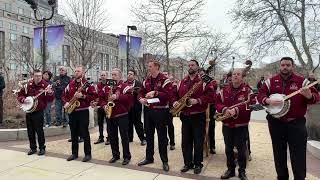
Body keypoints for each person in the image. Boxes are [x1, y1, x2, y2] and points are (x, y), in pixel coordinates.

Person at [257, 57, 319, 180]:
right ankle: (282, 177)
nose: (285, 67)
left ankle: (300, 178)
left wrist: (309, 95)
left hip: (296, 123)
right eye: (283, 65)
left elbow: (316, 97)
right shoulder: (270, 81)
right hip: (276, 123)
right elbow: (260, 95)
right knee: (279, 153)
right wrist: (267, 100)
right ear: (280, 66)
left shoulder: (303, 82)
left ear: (292, 66)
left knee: (298, 154)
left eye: (288, 65)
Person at [173, 61, 215, 174]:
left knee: (198, 141)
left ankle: (198, 164)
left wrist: (198, 100)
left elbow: (211, 96)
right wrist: (175, 102)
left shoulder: (204, 81)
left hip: (198, 115)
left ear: (197, 67)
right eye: (189, 65)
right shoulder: (182, 81)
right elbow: (174, 95)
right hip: (185, 116)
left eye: (193, 65)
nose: (190, 66)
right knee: (185, 141)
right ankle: (187, 163)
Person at [216, 68, 253, 180]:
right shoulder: (223, 90)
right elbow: (217, 103)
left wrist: (236, 110)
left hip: (241, 126)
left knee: (241, 150)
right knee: (228, 148)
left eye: (238, 74)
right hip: (227, 125)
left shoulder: (248, 90)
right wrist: (224, 109)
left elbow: (252, 105)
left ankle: (242, 171)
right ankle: (230, 170)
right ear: (231, 77)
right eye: (234, 74)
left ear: (242, 77)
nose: (236, 76)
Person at [137, 60, 173, 172]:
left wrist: (155, 93)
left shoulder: (164, 80)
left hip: (160, 111)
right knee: (149, 135)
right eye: (148, 66)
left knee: (162, 137)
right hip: (148, 111)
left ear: (157, 67)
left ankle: (164, 161)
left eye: (150, 66)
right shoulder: (147, 80)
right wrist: (141, 99)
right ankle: (149, 158)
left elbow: (168, 95)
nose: (149, 68)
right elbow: (140, 92)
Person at [63, 66, 97, 162]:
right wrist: (65, 103)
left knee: (84, 133)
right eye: (75, 71)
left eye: (78, 71)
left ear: (83, 73)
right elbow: (64, 95)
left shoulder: (87, 84)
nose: (76, 72)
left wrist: (83, 95)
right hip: (72, 111)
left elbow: (94, 96)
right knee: (73, 133)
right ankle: (74, 153)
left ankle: (87, 154)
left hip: (83, 111)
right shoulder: (71, 84)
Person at [17, 69, 54, 156]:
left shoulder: (46, 85)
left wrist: (50, 93)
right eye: (36, 76)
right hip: (29, 111)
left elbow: (51, 99)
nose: (38, 78)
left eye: (39, 76)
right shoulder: (28, 85)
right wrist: (23, 99)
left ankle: (42, 148)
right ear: (33, 76)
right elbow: (20, 95)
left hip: (39, 111)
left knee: (39, 130)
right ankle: (33, 148)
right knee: (30, 131)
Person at [106, 68, 133, 165]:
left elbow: (130, 98)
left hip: (122, 115)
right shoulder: (109, 87)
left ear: (120, 76)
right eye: (112, 74)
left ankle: (127, 156)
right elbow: (102, 98)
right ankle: (115, 155)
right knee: (112, 137)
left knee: (124, 137)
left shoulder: (125, 86)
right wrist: (104, 105)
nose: (113, 76)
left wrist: (118, 97)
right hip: (110, 115)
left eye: (115, 75)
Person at [199, 68, 218, 155]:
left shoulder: (211, 81)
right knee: (200, 127)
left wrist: (207, 82)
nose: (201, 76)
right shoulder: (196, 83)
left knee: (211, 126)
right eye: (199, 74)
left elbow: (214, 87)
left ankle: (212, 146)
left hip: (211, 106)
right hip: (201, 106)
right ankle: (201, 144)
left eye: (202, 74)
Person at [125, 69, 146, 146]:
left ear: (134, 76)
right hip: (127, 107)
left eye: (131, 74)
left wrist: (134, 91)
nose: (129, 75)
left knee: (138, 123)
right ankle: (130, 138)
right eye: (128, 74)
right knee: (128, 123)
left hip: (136, 107)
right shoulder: (125, 83)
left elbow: (141, 93)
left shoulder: (138, 83)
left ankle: (142, 139)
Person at [93, 71, 111, 145]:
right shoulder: (98, 85)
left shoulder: (110, 84)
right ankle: (101, 137)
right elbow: (96, 95)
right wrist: (95, 101)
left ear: (107, 76)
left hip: (108, 107)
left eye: (104, 75)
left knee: (108, 123)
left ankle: (109, 138)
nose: (103, 76)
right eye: (101, 75)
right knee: (100, 123)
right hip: (100, 107)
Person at [162, 71, 175, 150]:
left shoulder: (172, 85)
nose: (165, 76)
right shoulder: (160, 85)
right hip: (161, 109)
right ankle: (165, 141)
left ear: (169, 76)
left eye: (166, 74)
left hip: (169, 108)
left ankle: (172, 143)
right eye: (163, 75)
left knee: (170, 125)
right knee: (162, 126)